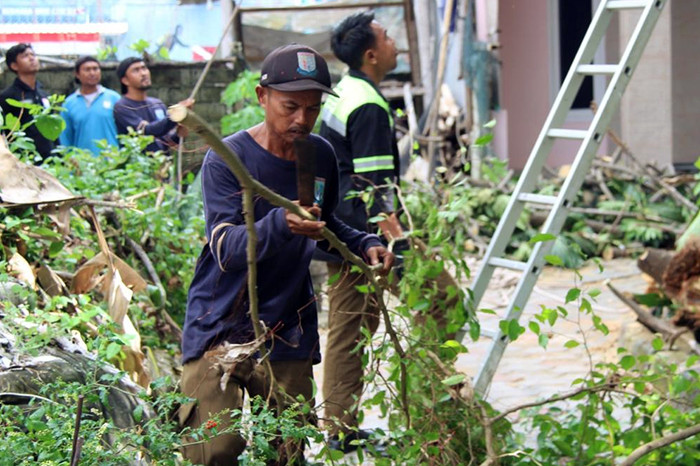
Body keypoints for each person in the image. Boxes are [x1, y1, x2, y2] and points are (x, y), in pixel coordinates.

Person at [179, 44, 394, 465]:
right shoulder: (228, 159)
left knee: (287, 448)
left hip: (288, 324)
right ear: (263, 97)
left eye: (312, 109)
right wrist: (281, 223)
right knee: (213, 448)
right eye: (290, 106)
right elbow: (224, 247)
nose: (301, 119)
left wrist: (365, 242)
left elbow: (325, 223)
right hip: (220, 320)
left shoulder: (319, 156)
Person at [318, 12, 458, 453]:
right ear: (371, 54)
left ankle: (339, 426)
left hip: (340, 229)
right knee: (442, 300)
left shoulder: (343, 91)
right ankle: (434, 399)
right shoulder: (368, 105)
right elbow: (375, 183)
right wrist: (393, 240)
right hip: (366, 236)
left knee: (350, 325)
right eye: (389, 37)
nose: (397, 44)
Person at [112, 57, 193, 153]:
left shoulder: (156, 104)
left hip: (162, 165)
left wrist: (179, 134)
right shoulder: (122, 107)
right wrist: (175, 115)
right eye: (136, 70)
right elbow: (148, 131)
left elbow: (165, 142)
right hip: (140, 165)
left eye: (144, 68)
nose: (143, 73)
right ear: (125, 80)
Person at [0, 43, 56, 162]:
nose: (32, 58)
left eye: (33, 55)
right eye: (25, 56)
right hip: (24, 159)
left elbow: (53, 130)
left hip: (49, 159)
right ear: (14, 65)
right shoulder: (8, 97)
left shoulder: (44, 95)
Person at [59, 56, 121, 154]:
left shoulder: (114, 98)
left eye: (95, 69)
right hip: (82, 164)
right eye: (87, 70)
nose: (92, 73)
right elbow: (65, 138)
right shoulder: (68, 104)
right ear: (77, 74)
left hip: (112, 162)